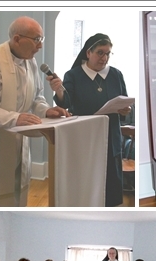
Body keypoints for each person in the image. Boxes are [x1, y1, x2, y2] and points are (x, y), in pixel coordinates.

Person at [0, 16, 70, 207]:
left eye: (41, 40)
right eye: (36, 39)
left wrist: (46, 111)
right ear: (17, 38)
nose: (40, 46)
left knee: (17, 190)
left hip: (19, 138)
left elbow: (36, 97)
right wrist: (14, 118)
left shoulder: (31, 63)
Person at [48, 33, 132, 206]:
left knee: (111, 181)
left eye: (108, 53)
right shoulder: (73, 75)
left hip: (111, 135)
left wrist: (126, 110)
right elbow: (67, 103)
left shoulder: (116, 74)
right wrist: (59, 90)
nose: (104, 58)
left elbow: (125, 102)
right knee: (87, 179)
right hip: (85, 136)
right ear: (88, 53)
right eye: (100, 53)